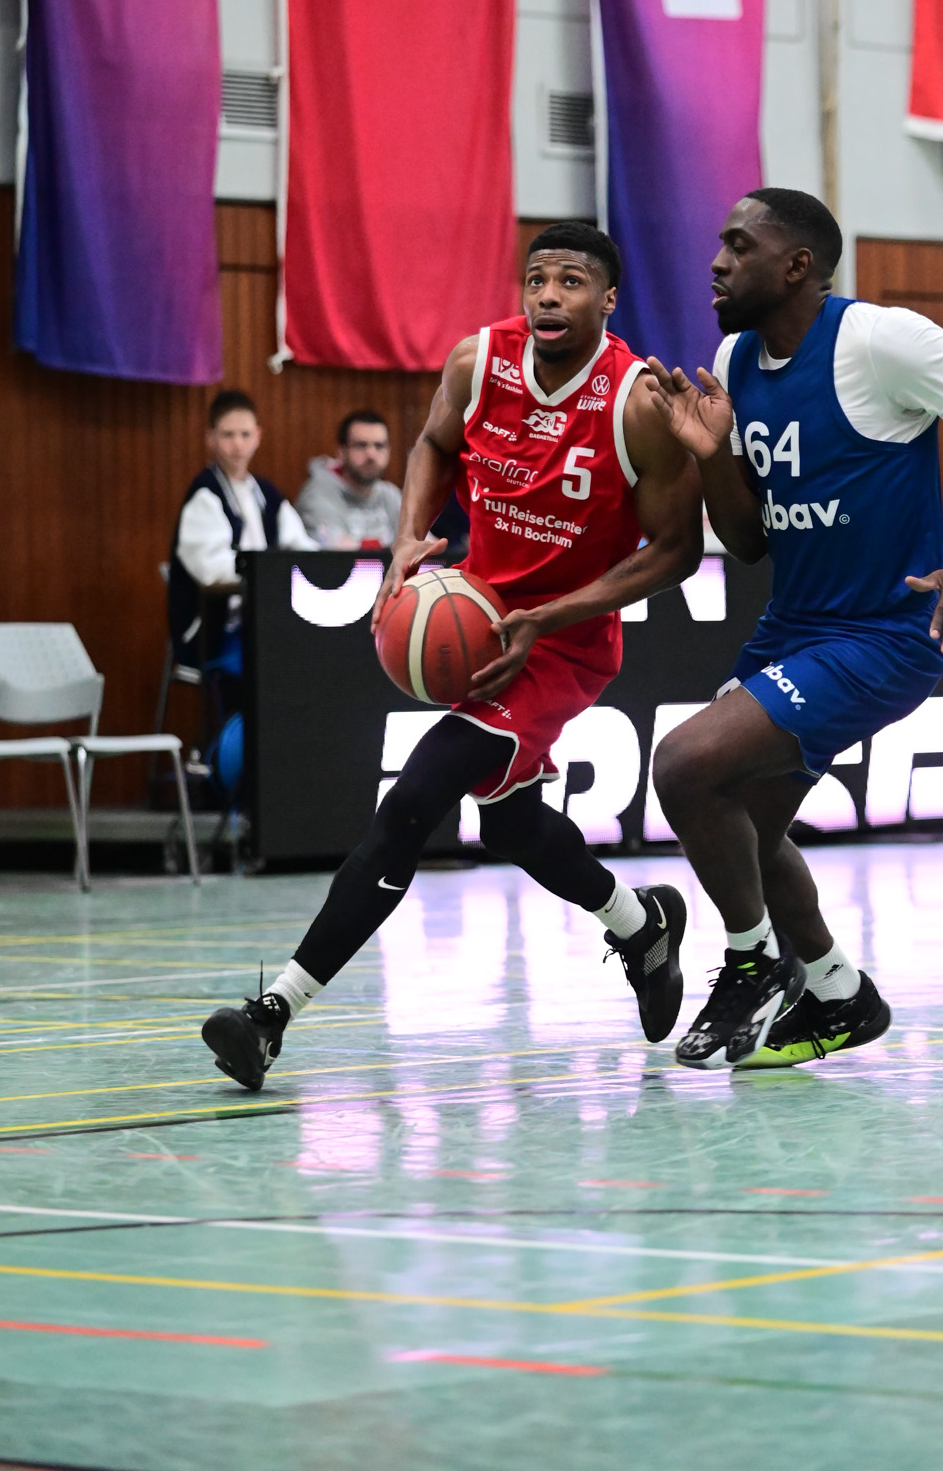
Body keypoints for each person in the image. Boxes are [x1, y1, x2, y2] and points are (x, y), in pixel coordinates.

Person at [201, 222, 704, 1091]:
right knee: (509, 823)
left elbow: (676, 551)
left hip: (561, 645)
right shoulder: (478, 362)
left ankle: (270, 1015)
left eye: (571, 281)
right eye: (536, 279)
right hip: (478, 614)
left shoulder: (636, 404)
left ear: (608, 300)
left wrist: (547, 619)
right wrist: (408, 537)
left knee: (412, 802)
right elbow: (434, 444)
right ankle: (642, 925)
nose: (548, 295)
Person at [648, 188, 943, 1071]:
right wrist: (712, 453)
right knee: (746, 830)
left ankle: (754, 964)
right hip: (792, 628)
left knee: (684, 764)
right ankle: (839, 994)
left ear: (796, 266)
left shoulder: (878, 341)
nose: (717, 262)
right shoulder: (733, 358)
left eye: (739, 246)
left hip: (883, 636)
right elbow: (749, 542)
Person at [169, 389, 317, 680]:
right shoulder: (205, 495)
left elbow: (302, 547)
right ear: (210, 438)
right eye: (228, 435)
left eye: (245, 434)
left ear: (258, 436)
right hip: (218, 630)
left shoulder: (268, 494)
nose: (237, 444)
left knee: (313, 655)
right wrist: (267, 569)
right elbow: (211, 571)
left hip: (264, 620)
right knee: (269, 666)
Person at [296, 409, 404, 548]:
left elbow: (423, 543)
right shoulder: (317, 495)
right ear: (341, 451)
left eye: (379, 446)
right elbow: (339, 552)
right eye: (361, 445)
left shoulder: (390, 494)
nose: (371, 454)